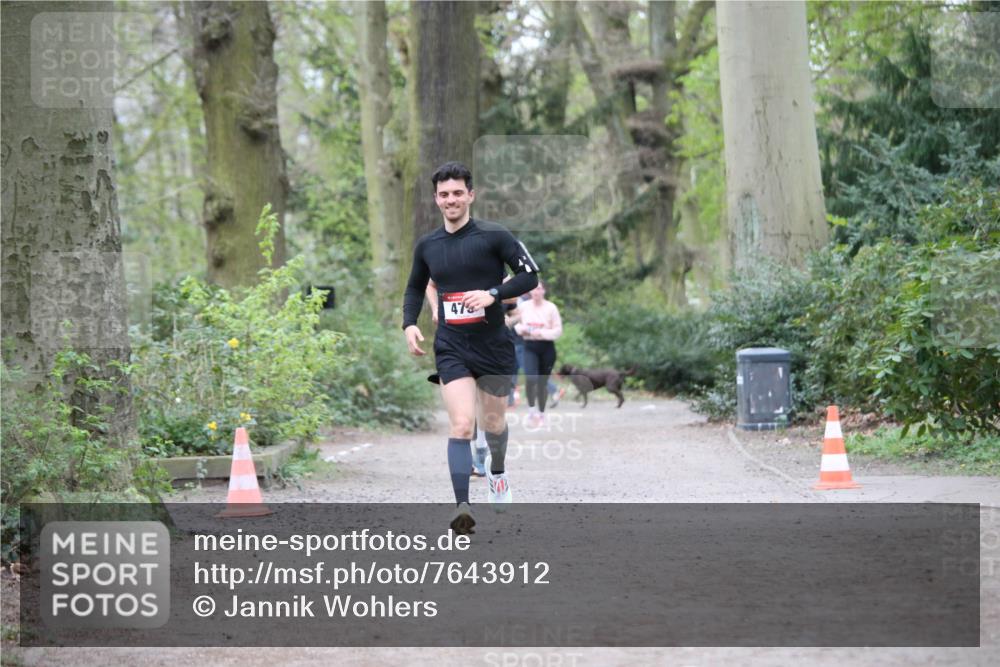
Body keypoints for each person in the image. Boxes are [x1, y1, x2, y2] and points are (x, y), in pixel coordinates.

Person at [403, 161, 540, 534]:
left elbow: (530, 275)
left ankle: (497, 471)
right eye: (444, 194)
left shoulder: (495, 237)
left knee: (493, 422)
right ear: (436, 199)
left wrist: (493, 293)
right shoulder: (428, 245)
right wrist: (410, 323)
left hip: (493, 345)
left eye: (458, 193)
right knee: (462, 424)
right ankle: (462, 506)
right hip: (451, 346)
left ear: (471, 195)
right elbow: (416, 286)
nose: (451, 200)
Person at [514, 281, 562, 427]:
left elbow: (558, 331)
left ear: (544, 291)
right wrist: (523, 329)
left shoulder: (551, 308)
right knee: (531, 378)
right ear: (530, 292)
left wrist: (541, 332)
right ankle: (531, 411)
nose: (536, 292)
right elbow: (515, 324)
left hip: (547, 347)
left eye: (539, 289)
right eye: (533, 289)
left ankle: (541, 413)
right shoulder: (523, 307)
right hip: (529, 346)